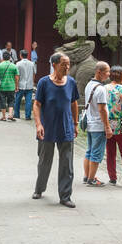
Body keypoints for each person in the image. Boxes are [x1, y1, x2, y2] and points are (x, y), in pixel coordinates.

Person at [33, 51, 79, 207]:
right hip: (47, 128)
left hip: (66, 128)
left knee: (67, 163)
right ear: (54, 65)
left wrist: (75, 123)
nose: (67, 67)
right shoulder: (44, 83)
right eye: (63, 64)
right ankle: (39, 188)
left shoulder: (71, 82)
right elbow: (37, 104)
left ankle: (65, 196)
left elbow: (73, 104)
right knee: (44, 161)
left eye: (68, 64)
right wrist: (38, 124)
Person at [81, 62, 112, 186]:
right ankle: (91, 179)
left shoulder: (89, 85)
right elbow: (102, 109)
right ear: (99, 72)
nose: (109, 74)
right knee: (96, 153)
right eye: (107, 71)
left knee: (89, 151)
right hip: (98, 125)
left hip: (90, 123)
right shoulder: (101, 89)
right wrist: (107, 126)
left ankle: (87, 175)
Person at [0, 50, 19, 121]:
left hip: (2, 87)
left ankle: (4, 116)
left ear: (3, 57)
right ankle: (10, 114)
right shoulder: (14, 66)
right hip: (11, 86)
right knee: (11, 101)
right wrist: (16, 86)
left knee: (2, 101)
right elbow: (17, 77)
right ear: (10, 58)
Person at [14, 49, 36, 120]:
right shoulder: (32, 63)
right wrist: (32, 82)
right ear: (27, 55)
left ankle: (17, 115)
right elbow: (34, 74)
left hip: (20, 85)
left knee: (17, 101)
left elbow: (17, 76)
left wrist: (16, 85)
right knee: (28, 102)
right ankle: (28, 116)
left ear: (20, 55)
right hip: (29, 85)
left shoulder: (18, 64)